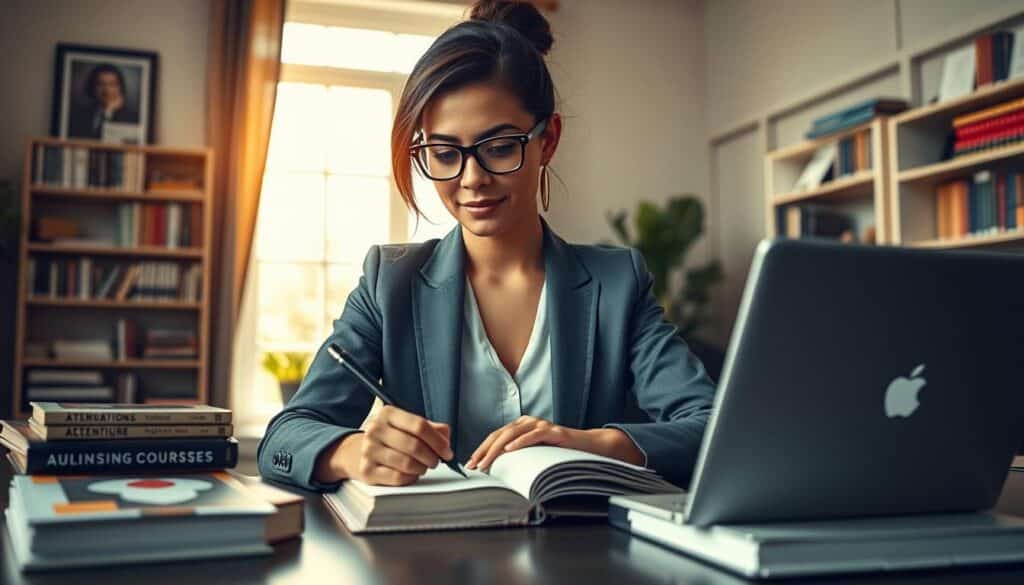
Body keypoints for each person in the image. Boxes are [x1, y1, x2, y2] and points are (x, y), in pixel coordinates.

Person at [257, 0, 716, 491]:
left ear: (549, 139)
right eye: (444, 153)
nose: (471, 179)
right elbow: (285, 437)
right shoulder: (389, 283)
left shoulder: (617, 282)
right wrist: (352, 452)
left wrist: (591, 444)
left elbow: (710, 425)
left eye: (499, 148)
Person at [67, 63, 139, 139]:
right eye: (101, 84)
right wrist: (107, 111)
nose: (107, 91)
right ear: (93, 87)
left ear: (120, 87)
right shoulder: (79, 114)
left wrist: (108, 112)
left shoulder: (131, 117)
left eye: (112, 84)